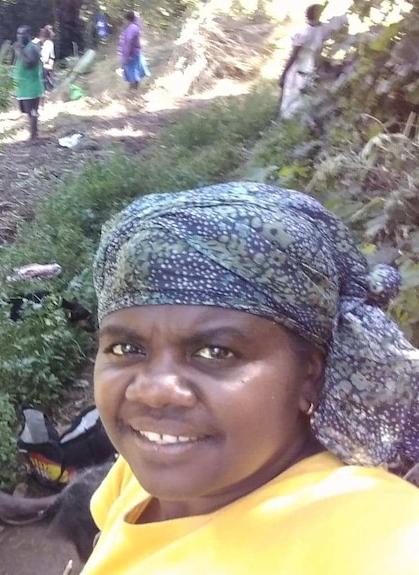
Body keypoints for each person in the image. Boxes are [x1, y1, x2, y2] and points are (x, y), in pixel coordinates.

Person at [79, 182, 419, 574]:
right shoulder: (141, 474)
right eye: (126, 348)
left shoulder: (375, 537)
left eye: (216, 352)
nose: (153, 391)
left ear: (311, 373)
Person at [279, 4, 348, 120]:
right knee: (297, 98)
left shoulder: (311, 31)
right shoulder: (309, 32)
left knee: (293, 99)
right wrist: (284, 74)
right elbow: (294, 55)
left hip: (303, 68)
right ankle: (290, 123)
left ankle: (289, 122)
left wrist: (283, 74)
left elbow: (293, 56)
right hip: (303, 68)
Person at [13, 25, 45, 142]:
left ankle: (34, 136)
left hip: (31, 85)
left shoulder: (33, 48)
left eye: (22, 34)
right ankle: (33, 135)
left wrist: (19, 51)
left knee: (32, 111)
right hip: (23, 86)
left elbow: (29, 63)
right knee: (27, 112)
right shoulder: (23, 47)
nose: (19, 36)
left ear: (29, 35)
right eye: (18, 34)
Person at [118, 11, 150, 90]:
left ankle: (133, 93)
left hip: (132, 55)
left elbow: (128, 43)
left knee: (133, 76)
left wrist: (125, 57)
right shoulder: (134, 27)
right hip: (134, 54)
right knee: (134, 75)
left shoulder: (131, 28)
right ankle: (133, 92)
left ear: (127, 19)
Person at [39, 26, 56, 94]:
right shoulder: (49, 43)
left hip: (44, 66)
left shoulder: (47, 43)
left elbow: (46, 57)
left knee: (45, 84)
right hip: (46, 65)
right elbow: (51, 56)